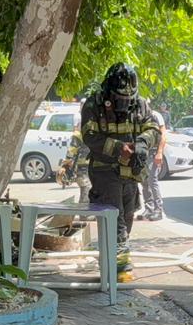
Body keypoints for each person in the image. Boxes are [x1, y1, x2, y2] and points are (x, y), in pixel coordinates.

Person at [81, 62, 160, 283]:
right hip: (105, 172)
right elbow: (90, 137)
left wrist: (143, 143)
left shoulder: (141, 105)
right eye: (119, 99)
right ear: (108, 92)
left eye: (128, 99)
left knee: (127, 216)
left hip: (131, 174)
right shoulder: (93, 105)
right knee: (116, 222)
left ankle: (110, 263)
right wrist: (118, 149)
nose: (124, 103)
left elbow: (153, 128)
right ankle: (120, 271)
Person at [138, 107, 167, 221]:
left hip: (153, 152)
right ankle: (149, 207)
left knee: (152, 179)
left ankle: (158, 210)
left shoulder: (155, 115)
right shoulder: (137, 114)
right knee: (144, 180)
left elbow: (163, 135)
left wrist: (159, 153)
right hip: (142, 151)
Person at [61, 127, 91, 203]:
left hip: (92, 168)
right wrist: (65, 166)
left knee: (88, 192)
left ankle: (86, 213)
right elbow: (71, 151)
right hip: (82, 169)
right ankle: (84, 213)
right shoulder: (78, 135)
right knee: (86, 190)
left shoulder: (98, 134)